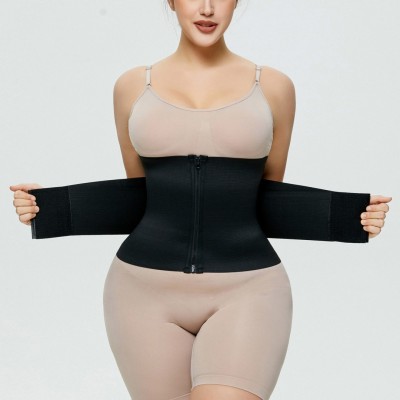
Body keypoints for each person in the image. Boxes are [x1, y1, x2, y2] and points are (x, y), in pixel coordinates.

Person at [9, 1, 392, 399]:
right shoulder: (132, 86)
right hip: (140, 293)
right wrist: (49, 209)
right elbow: (141, 197)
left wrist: (348, 217)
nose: (207, 8)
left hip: (248, 289)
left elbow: (266, 200)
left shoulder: (274, 87)